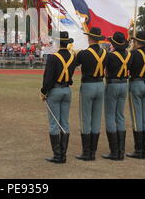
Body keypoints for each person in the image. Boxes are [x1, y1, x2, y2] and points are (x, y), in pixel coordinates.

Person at [40, 31, 76, 164]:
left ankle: (57, 155)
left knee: (54, 124)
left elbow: (48, 78)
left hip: (55, 91)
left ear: (57, 42)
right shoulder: (72, 57)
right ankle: (63, 154)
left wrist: (44, 92)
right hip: (67, 90)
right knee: (64, 123)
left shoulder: (53, 58)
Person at [75, 27, 106, 161]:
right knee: (96, 119)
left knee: (86, 119)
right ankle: (93, 151)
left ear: (89, 38)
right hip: (100, 85)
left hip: (88, 85)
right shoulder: (105, 53)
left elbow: (74, 64)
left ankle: (86, 152)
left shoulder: (84, 53)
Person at [126, 31, 145, 159]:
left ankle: (139, 150)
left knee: (137, 117)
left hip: (136, 83)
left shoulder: (133, 54)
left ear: (137, 42)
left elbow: (127, 67)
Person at [102, 31, 130, 161]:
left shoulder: (110, 56)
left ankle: (114, 151)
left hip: (112, 84)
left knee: (110, 116)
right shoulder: (128, 55)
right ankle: (121, 151)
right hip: (124, 84)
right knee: (120, 116)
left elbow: (104, 70)